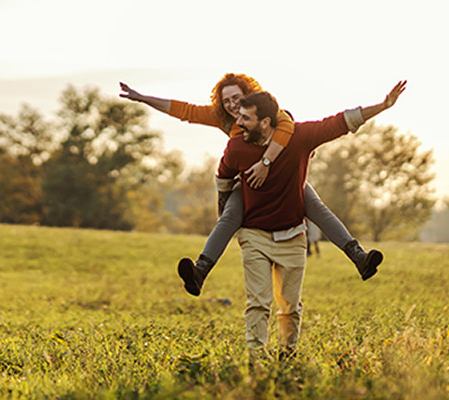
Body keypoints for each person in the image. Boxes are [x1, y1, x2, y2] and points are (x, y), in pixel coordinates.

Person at [119, 75, 382, 297]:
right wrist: (143, 98)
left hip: (284, 177)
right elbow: (183, 110)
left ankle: (359, 257)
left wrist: (267, 161)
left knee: (317, 208)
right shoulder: (223, 119)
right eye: (226, 101)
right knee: (229, 217)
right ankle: (200, 271)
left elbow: (291, 125)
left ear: (248, 95)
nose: (232, 105)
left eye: (236, 98)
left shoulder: (270, 114)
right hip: (248, 182)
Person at [214, 82, 406, 356]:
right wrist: (225, 213)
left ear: (265, 122)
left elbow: (341, 122)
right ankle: (256, 358)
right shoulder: (236, 147)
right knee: (258, 301)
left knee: (290, 305)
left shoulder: (301, 137)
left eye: (245, 118)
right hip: (254, 234)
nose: (239, 122)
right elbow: (222, 178)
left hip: (292, 235)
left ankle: (287, 354)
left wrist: (383, 106)